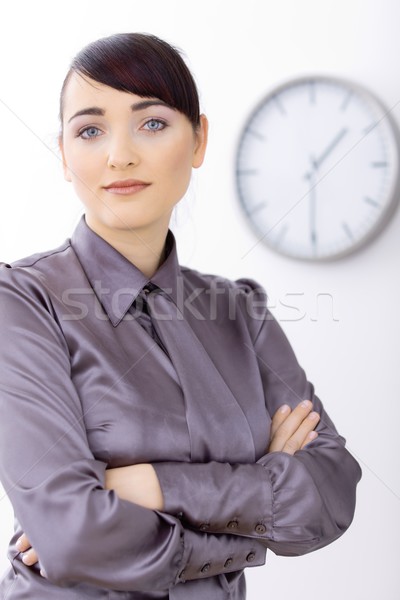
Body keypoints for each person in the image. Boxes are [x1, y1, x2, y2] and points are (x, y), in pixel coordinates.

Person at [0, 32, 361, 600]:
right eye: (90, 130)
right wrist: (251, 524)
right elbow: (72, 537)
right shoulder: (22, 301)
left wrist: (152, 486)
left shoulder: (239, 310)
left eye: (152, 123)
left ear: (199, 140)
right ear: (64, 156)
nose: (119, 154)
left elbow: (332, 492)